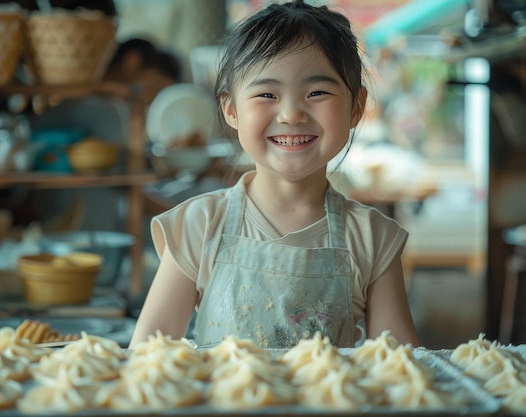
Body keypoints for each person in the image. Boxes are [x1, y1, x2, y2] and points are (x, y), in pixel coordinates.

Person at [129, 0, 419, 349]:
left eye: (316, 93)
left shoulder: (373, 239)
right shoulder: (200, 225)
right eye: (267, 94)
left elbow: (402, 369)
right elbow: (147, 359)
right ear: (232, 110)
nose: (291, 114)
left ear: (356, 107)